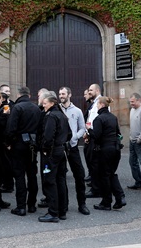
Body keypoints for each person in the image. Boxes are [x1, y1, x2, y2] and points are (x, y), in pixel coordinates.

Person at [6, 86, 42, 216]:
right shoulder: (36, 108)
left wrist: (9, 143)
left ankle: (21, 206)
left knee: (19, 175)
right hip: (32, 146)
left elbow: (11, 128)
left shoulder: (17, 108)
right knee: (32, 175)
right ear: (29, 95)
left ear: (18, 95)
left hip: (19, 145)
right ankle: (31, 204)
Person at [88, 96, 126, 211]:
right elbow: (118, 133)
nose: (97, 106)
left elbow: (96, 136)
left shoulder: (99, 119)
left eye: (98, 104)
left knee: (104, 176)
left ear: (102, 105)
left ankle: (106, 202)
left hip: (105, 150)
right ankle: (120, 197)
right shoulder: (113, 118)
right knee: (111, 174)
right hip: (115, 149)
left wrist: (89, 130)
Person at [38, 95, 70, 223]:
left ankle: (53, 212)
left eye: (45, 103)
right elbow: (70, 134)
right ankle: (62, 210)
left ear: (51, 103)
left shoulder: (51, 116)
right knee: (60, 180)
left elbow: (48, 136)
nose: (43, 105)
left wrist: (45, 150)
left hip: (51, 153)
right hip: (61, 151)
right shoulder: (62, 115)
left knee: (50, 181)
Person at [58, 87, 90, 215]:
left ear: (69, 95)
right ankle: (63, 205)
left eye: (63, 93)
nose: (61, 96)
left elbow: (82, 128)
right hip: (60, 148)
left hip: (73, 148)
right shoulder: (57, 109)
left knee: (79, 175)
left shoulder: (77, 111)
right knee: (61, 177)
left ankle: (82, 204)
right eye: (60, 94)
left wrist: (75, 136)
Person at [84, 83, 102, 198]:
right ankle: (95, 185)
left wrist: (89, 133)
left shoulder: (100, 103)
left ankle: (96, 189)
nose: (89, 92)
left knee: (95, 164)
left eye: (91, 90)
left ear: (97, 90)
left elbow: (95, 121)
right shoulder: (94, 103)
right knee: (92, 162)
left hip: (95, 137)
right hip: (91, 135)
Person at [0, 84, 15, 194]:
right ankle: (2, 182)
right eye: (5, 91)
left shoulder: (13, 105)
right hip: (0, 138)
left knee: (9, 162)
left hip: (10, 138)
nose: (7, 93)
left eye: (8, 91)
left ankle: (9, 184)